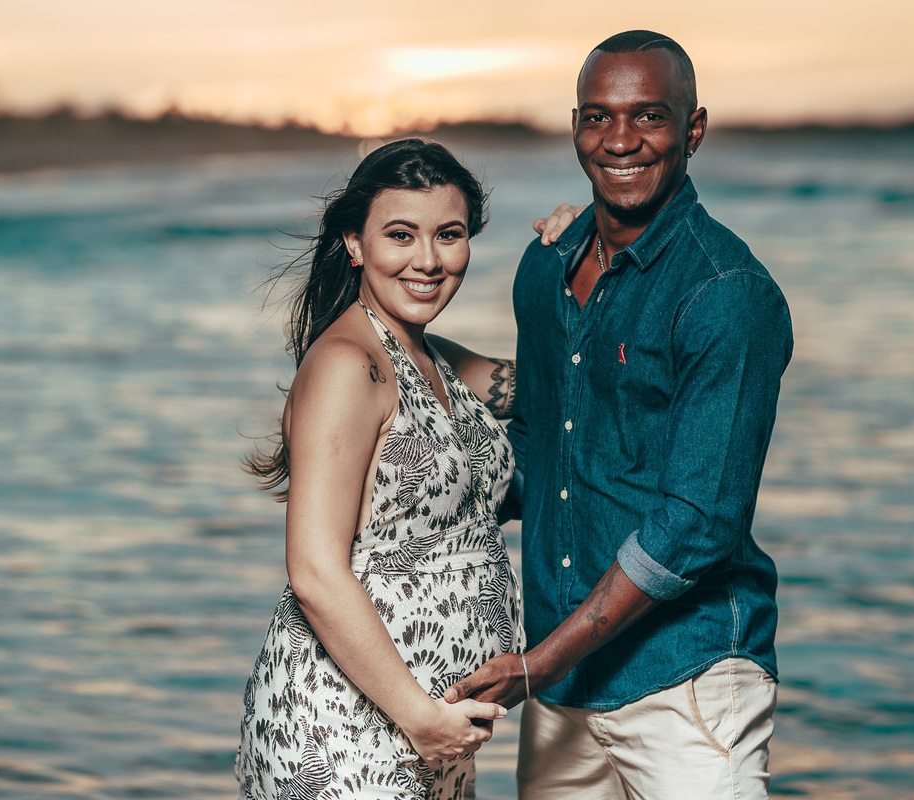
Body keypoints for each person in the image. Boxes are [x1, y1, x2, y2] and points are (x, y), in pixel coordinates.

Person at [444, 30, 794, 799]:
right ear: (575, 129)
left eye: (650, 117)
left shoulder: (727, 295)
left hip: (687, 678)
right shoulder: (545, 267)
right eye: (598, 118)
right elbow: (541, 445)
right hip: (564, 686)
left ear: (692, 130)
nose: (622, 140)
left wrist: (543, 659)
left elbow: (696, 523)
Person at [237, 138, 525, 800]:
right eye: (402, 234)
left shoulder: (432, 356)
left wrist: (571, 251)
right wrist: (421, 719)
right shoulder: (349, 364)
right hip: (349, 734)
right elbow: (313, 571)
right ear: (356, 243)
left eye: (448, 235)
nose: (428, 260)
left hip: (431, 733)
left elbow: (559, 386)